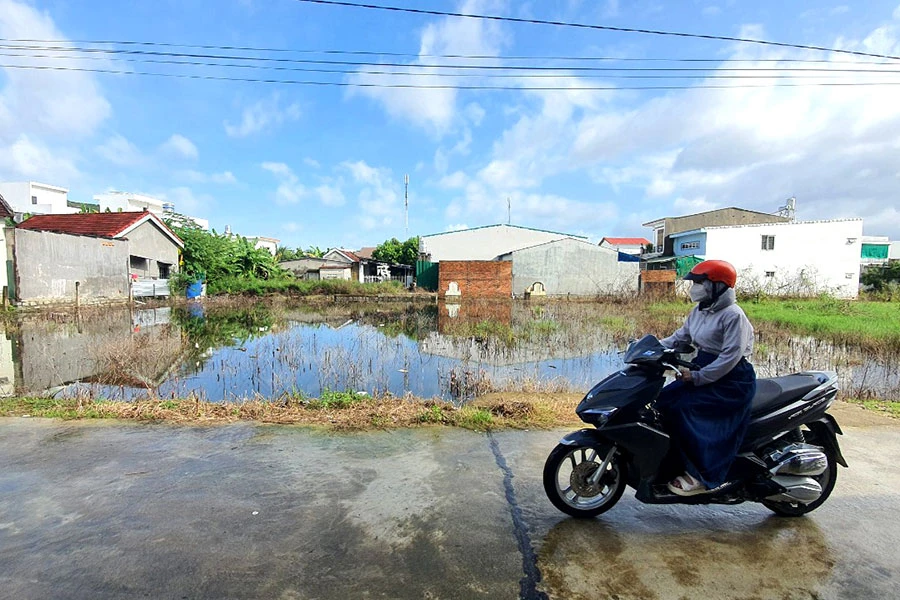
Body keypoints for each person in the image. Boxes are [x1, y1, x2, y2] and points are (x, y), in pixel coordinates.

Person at [657, 259, 756, 496]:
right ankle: (674, 462)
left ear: (718, 286)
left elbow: (730, 358)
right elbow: (680, 339)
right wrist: (649, 348)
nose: (695, 287)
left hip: (731, 380)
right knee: (662, 402)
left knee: (685, 409)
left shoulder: (734, 316)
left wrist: (699, 377)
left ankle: (701, 475)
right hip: (701, 369)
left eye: (700, 282)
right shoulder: (700, 310)